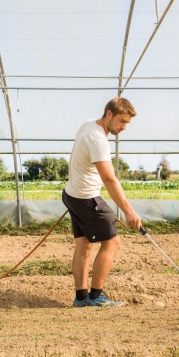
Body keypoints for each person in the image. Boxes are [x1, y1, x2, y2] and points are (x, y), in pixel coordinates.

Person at [62, 97, 142, 307]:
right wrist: (129, 211)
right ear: (109, 114)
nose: (123, 127)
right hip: (86, 198)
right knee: (113, 242)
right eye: (121, 121)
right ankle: (96, 297)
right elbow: (108, 179)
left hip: (72, 194)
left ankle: (81, 298)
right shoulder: (98, 139)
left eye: (127, 123)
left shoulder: (88, 125)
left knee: (83, 244)